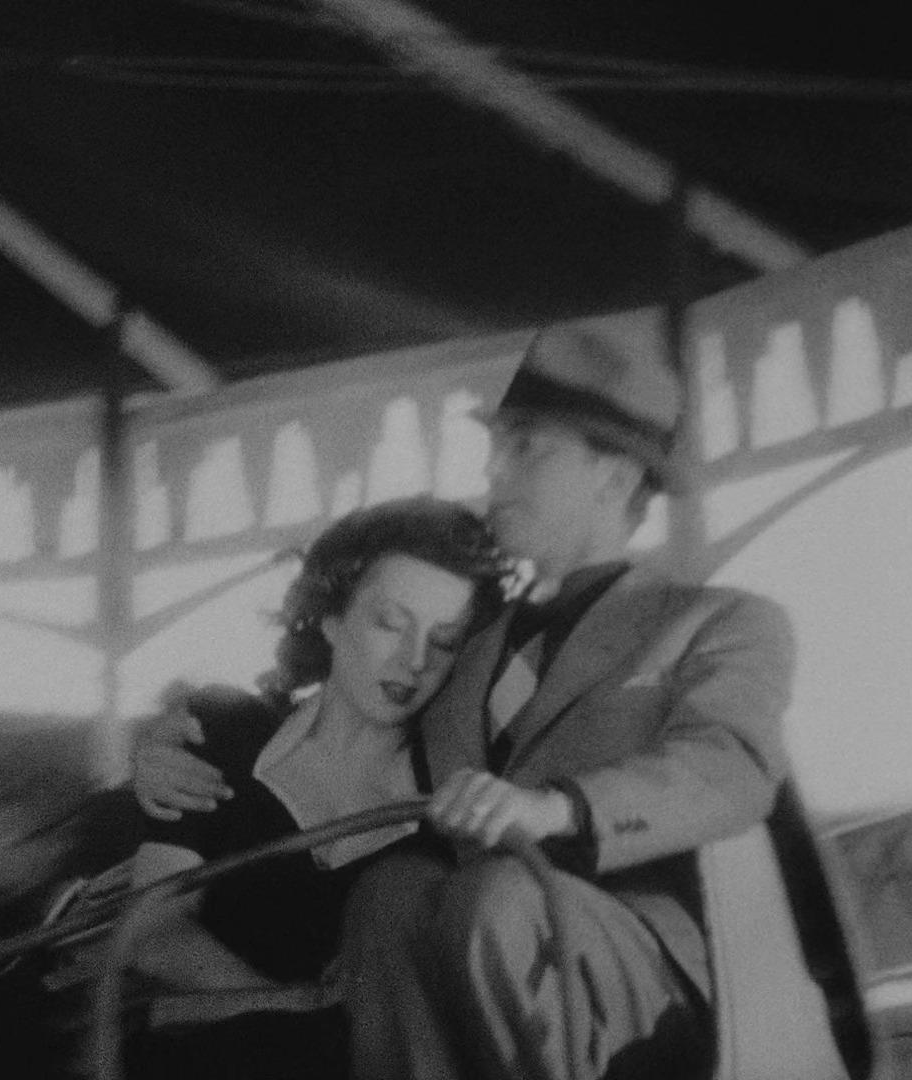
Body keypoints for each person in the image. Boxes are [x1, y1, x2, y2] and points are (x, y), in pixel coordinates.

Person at [133, 320, 795, 1080]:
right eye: (496, 446)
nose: (492, 470)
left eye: (527, 449)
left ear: (614, 478)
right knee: (390, 894)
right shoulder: (466, 649)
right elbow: (337, 719)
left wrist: (556, 810)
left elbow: (732, 766)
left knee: (494, 896)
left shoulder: (718, 623)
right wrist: (161, 746)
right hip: (470, 949)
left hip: (624, 972)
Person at [125, 495, 505, 1079]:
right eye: (390, 623)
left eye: (445, 640)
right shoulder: (224, 732)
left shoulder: (447, 813)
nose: (415, 660)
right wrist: (292, 1013)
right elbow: (150, 933)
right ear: (330, 617)